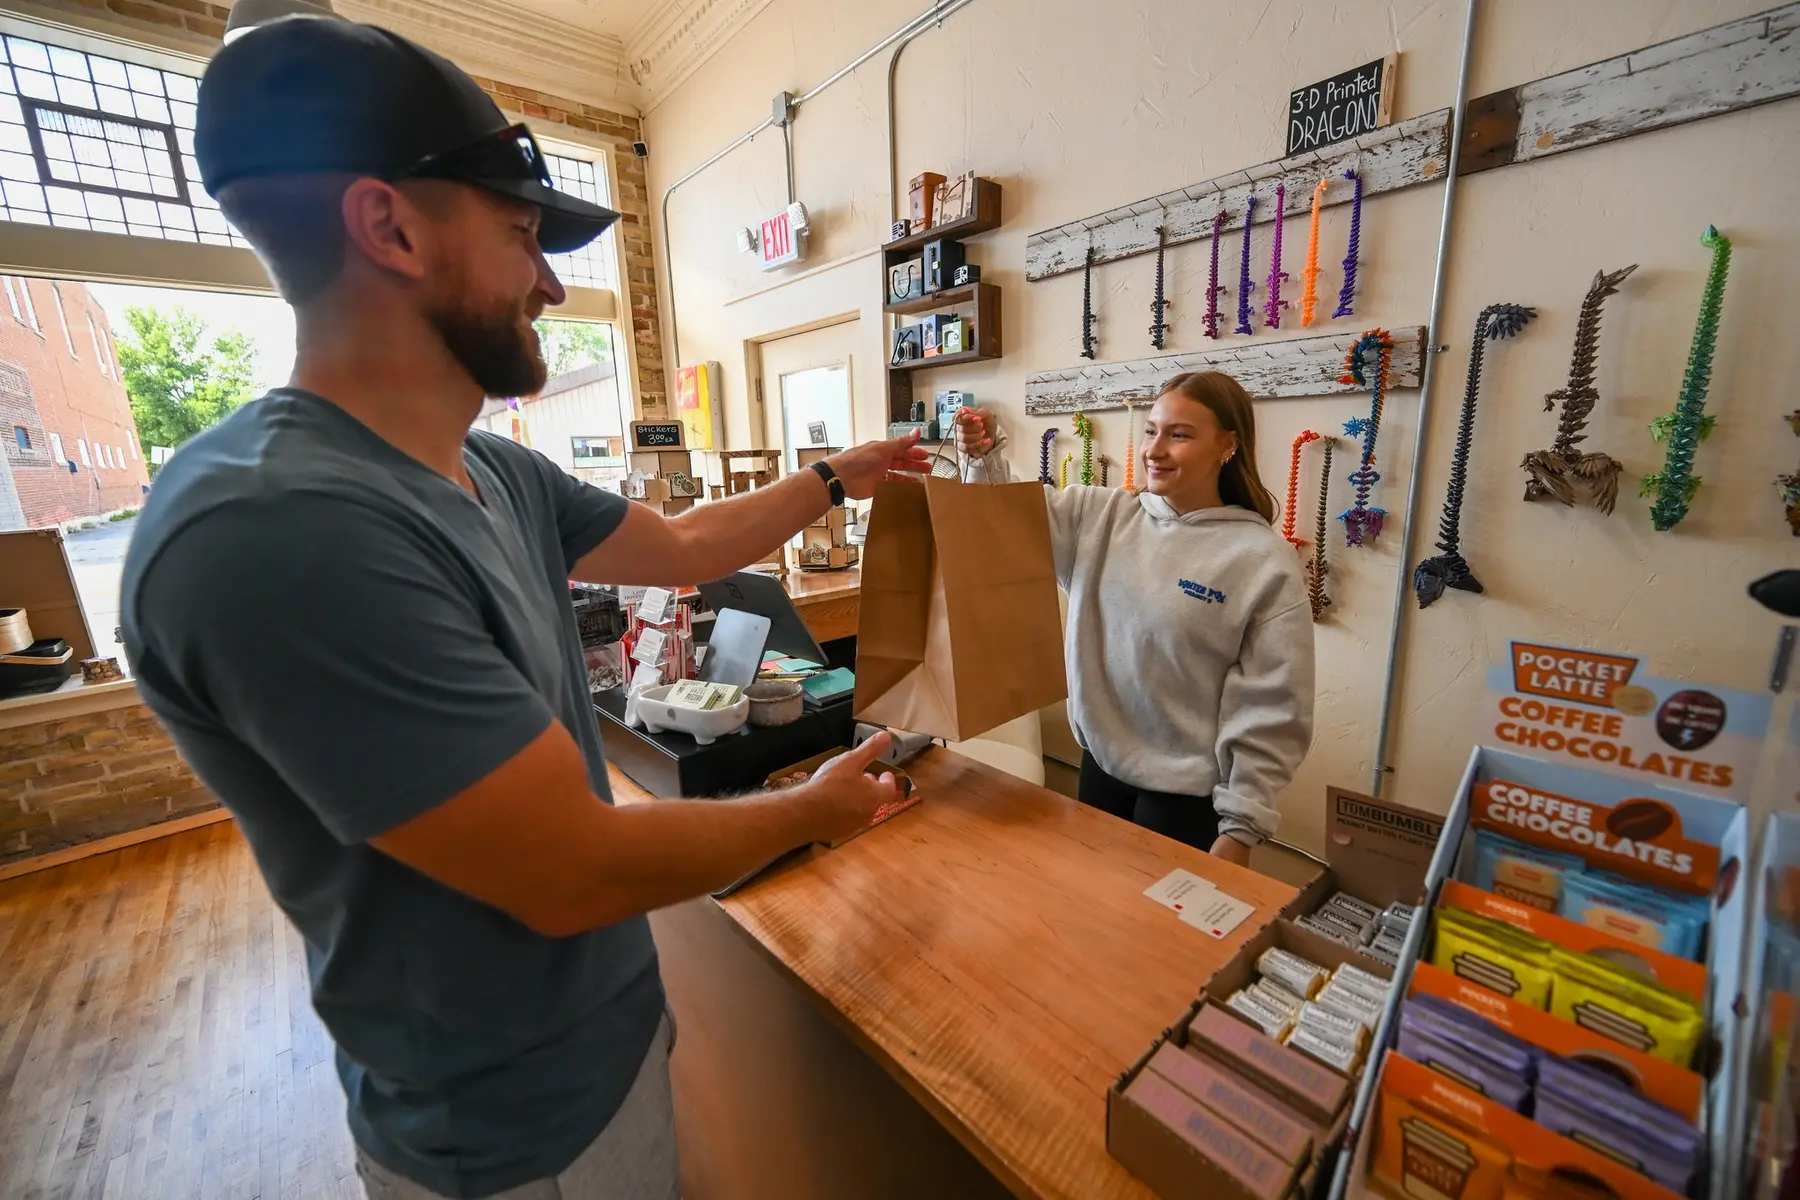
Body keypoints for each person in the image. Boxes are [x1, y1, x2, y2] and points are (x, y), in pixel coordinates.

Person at [120, 17, 929, 1200]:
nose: (550, 283)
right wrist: (811, 809)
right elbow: (573, 867)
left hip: (604, 1045)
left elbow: (691, 545)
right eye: (519, 235)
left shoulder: (492, 467)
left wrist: (832, 479)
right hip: (500, 1137)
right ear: (387, 225)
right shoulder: (274, 531)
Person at [954, 371, 1314, 864]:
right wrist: (984, 455)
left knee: (1163, 938)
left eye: (1179, 434)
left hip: (1188, 801)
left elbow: (1273, 706)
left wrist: (1241, 826)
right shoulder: (1098, 517)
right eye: (1151, 430)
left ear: (1227, 445)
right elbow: (998, 522)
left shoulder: (1261, 559)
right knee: (1099, 919)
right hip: (1100, 770)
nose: (1155, 450)